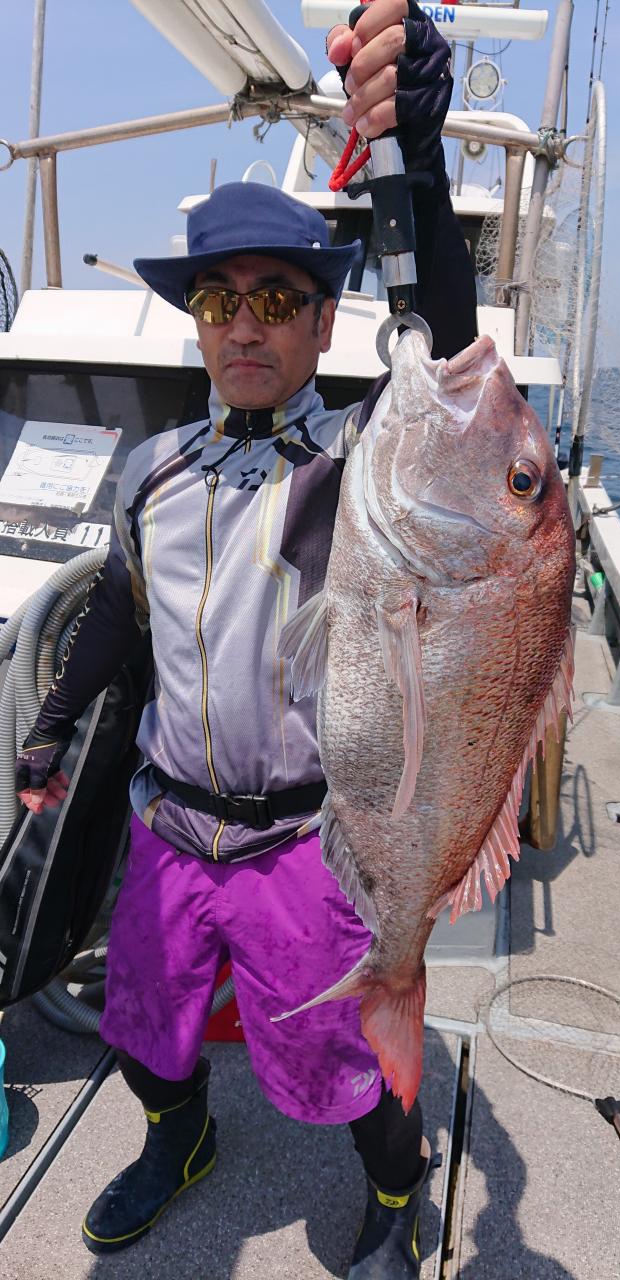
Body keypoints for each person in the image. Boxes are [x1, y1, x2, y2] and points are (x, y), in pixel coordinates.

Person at [15, 1, 477, 1274]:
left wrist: (419, 151)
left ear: (323, 323)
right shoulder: (155, 469)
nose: (246, 322)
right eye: (220, 299)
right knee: (146, 1029)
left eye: (278, 297)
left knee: (354, 1055)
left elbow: (443, 347)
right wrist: (51, 724)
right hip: (169, 827)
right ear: (197, 321)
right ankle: (181, 1140)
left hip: (307, 842)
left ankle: (396, 1192)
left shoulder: (362, 458)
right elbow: (120, 609)